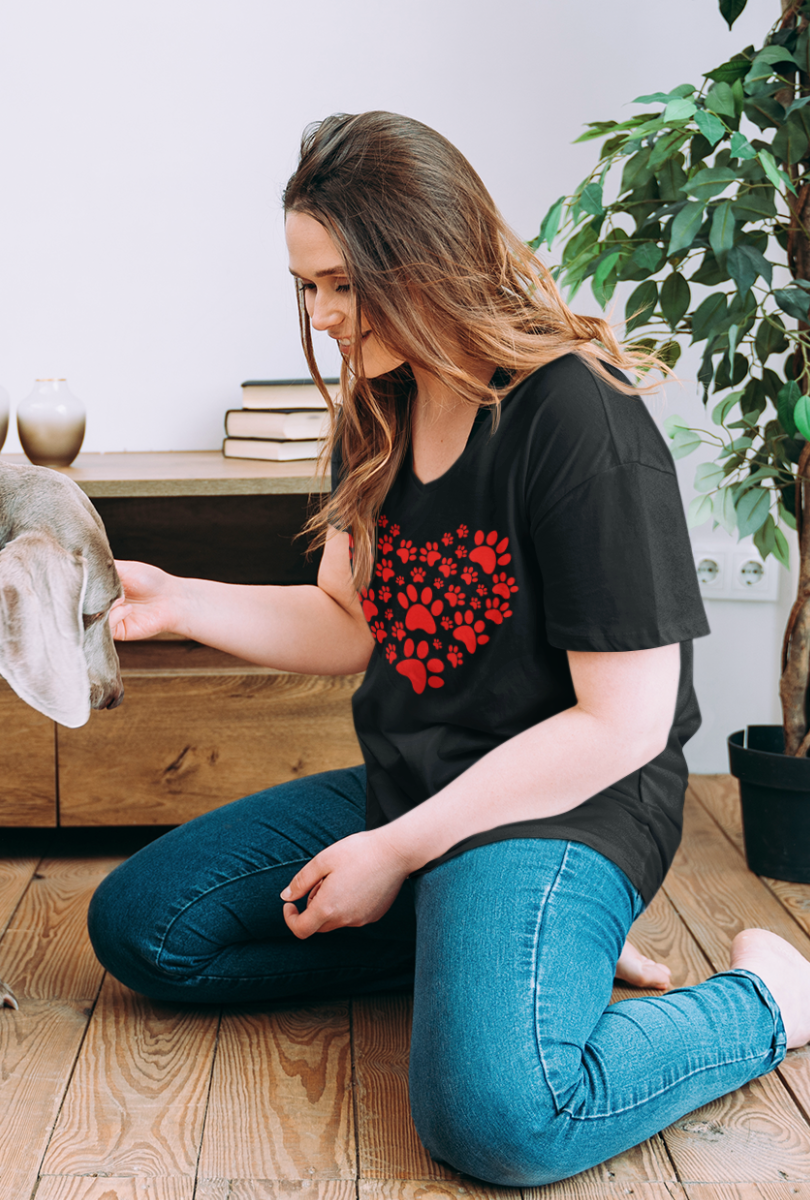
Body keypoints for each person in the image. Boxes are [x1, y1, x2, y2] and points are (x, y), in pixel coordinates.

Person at [86, 111, 810, 1187]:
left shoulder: (580, 418)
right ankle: (516, 954)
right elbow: (351, 629)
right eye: (306, 287)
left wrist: (399, 850)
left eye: (342, 282)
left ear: (421, 252)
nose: (324, 316)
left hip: (577, 801)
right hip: (416, 784)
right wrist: (178, 600)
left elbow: (625, 722)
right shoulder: (380, 402)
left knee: (504, 1116)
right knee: (148, 929)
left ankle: (767, 1000)